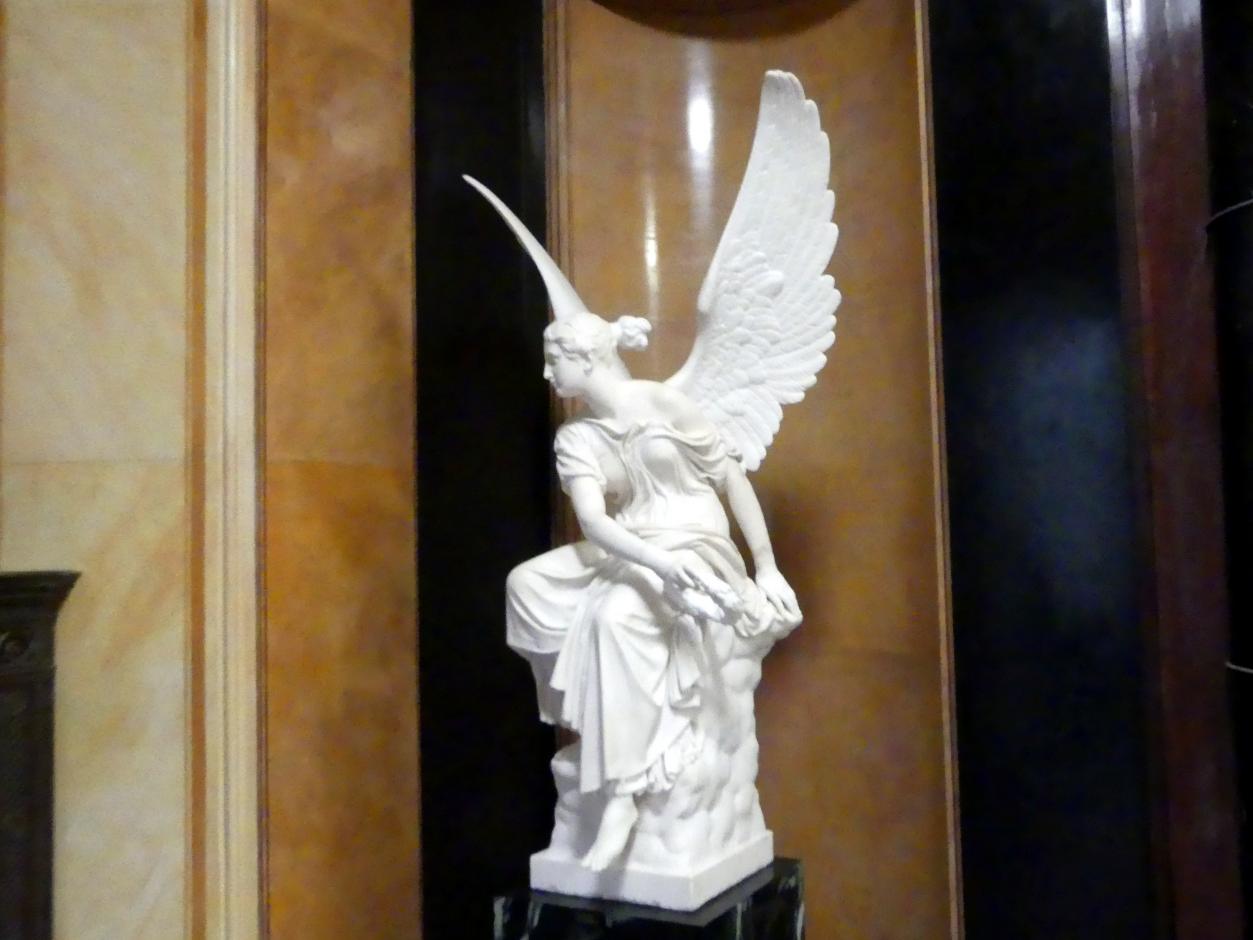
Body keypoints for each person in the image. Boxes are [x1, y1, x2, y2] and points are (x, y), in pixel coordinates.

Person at [505, 310, 802, 871]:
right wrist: (658, 564)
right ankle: (596, 719)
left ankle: (624, 791)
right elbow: (595, 522)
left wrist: (765, 567)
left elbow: (730, 479)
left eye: (554, 360)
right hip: (637, 547)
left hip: (698, 544)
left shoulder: (664, 403)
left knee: (615, 616)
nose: (547, 373)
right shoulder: (576, 437)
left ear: (586, 357)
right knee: (525, 584)